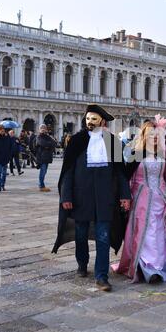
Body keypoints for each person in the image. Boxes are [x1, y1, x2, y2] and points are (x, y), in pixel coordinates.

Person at [52, 104, 131, 293]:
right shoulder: (77, 141)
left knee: (103, 236)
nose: (90, 122)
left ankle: (101, 276)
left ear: (103, 121)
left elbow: (121, 173)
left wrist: (125, 196)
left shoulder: (113, 143)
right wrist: (66, 196)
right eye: (87, 118)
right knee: (80, 233)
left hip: (105, 197)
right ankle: (82, 263)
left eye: (94, 119)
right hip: (81, 196)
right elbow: (68, 172)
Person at [113, 118, 166, 284]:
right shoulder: (136, 156)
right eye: (151, 134)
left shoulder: (163, 156)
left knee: (160, 231)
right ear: (144, 136)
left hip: (161, 199)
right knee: (147, 232)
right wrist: (126, 197)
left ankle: (161, 264)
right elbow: (129, 178)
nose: (155, 137)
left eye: (157, 134)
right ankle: (150, 268)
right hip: (141, 201)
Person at [35, 124, 56, 192]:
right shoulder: (39, 137)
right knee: (43, 171)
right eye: (42, 128)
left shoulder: (48, 136)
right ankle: (41, 185)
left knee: (45, 171)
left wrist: (48, 145)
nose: (43, 129)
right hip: (42, 157)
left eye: (44, 128)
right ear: (39, 129)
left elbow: (54, 143)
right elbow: (43, 143)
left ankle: (42, 184)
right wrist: (48, 145)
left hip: (47, 157)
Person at [0, 125, 13, 192]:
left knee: (4, 174)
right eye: (0, 129)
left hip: (5, 158)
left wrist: (9, 156)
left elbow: (11, 146)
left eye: (2, 129)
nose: (2, 130)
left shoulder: (7, 136)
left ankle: (3, 185)